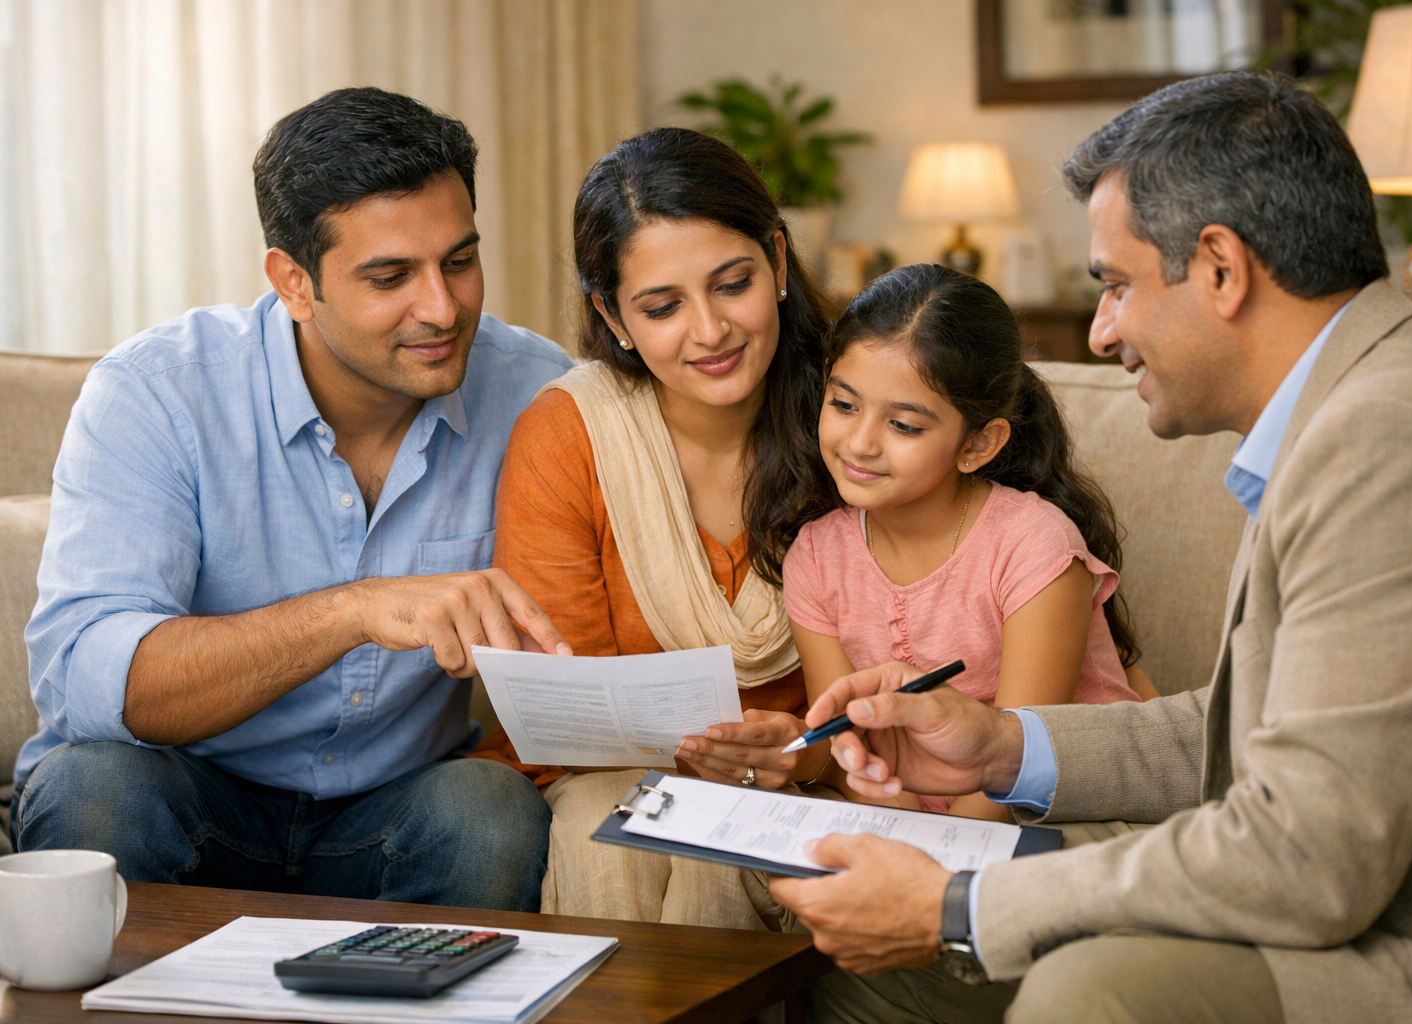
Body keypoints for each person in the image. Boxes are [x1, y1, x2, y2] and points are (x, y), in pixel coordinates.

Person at [766, 71, 1412, 1023]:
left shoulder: (1399, 439)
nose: (1100, 333)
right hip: (1366, 913)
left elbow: (1306, 856)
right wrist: (998, 746)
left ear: (1220, 267)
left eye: (1117, 285)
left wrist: (957, 905)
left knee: (1087, 992)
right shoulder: (1354, 410)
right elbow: (1242, 723)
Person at [12, 87, 574, 912]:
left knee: (490, 814)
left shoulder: (538, 391)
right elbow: (92, 678)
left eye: (459, 260)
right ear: (294, 282)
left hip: (397, 811)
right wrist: (351, 611)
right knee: (94, 788)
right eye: (391, 277)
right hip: (191, 794)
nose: (443, 308)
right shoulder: (156, 393)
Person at [472, 127, 836, 930]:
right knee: (613, 830)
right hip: (605, 772)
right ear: (613, 314)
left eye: (732, 284)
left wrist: (799, 751)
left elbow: (900, 651)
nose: (709, 332)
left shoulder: (851, 421)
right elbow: (565, 700)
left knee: (716, 859)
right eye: (663, 307)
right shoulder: (571, 432)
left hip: (812, 773)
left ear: (777, 263)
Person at [782, 263, 1149, 824]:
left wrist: (923, 876)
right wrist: (902, 839)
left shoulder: (1033, 545)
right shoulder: (814, 557)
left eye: (903, 426)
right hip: (920, 827)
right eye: (844, 404)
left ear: (978, 444)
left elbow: (1012, 766)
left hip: (1058, 811)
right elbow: (855, 750)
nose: (858, 443)